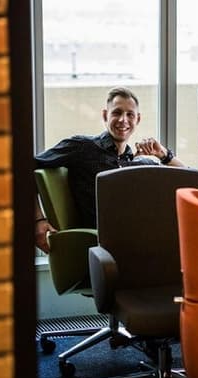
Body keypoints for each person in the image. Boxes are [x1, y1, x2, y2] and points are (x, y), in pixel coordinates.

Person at [34, 86, 185, 253]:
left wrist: (164, 154)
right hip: (103, 247)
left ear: (138, 119)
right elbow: (26, 168)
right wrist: (38, 220)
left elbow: (190, 181)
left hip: (142, 241)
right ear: (105, 115)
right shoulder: (82, 147)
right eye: (117, 113)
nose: (123, 120)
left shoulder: (138, 163)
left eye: (130, 114)